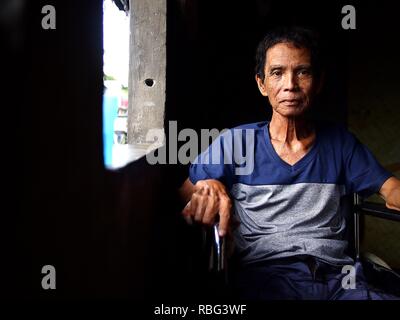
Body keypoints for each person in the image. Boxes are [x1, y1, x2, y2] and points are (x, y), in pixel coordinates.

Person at [179, 26, 400, 300]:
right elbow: (186, 193)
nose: (290, 85)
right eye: (277, 73)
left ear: (318, 82)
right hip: (265, 278)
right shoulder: (236, 142)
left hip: (339, 278)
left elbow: (391, 189)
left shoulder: (341, 143)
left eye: (303, 72)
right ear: (262, 84)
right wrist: (209, 186)